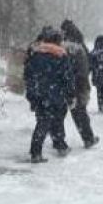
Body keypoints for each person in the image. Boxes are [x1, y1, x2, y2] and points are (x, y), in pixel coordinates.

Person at [24, 26, 74, 161]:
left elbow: (28, 75)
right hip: (55, 95)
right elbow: (67, 77)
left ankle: (56, 146)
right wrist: (70, 94)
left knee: (43, 121)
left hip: (39, 93)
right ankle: (39, 151)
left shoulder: (35, 53)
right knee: (53, 121)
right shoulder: (61, 55)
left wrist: (31, 94)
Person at [60, 20, 99, 148]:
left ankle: (59, 141)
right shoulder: (79, 46)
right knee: (80, 112)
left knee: (58, 113)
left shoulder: (61, 46)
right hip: (79, 82)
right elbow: (87, 64)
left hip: (62, 82)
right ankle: (88, 138)